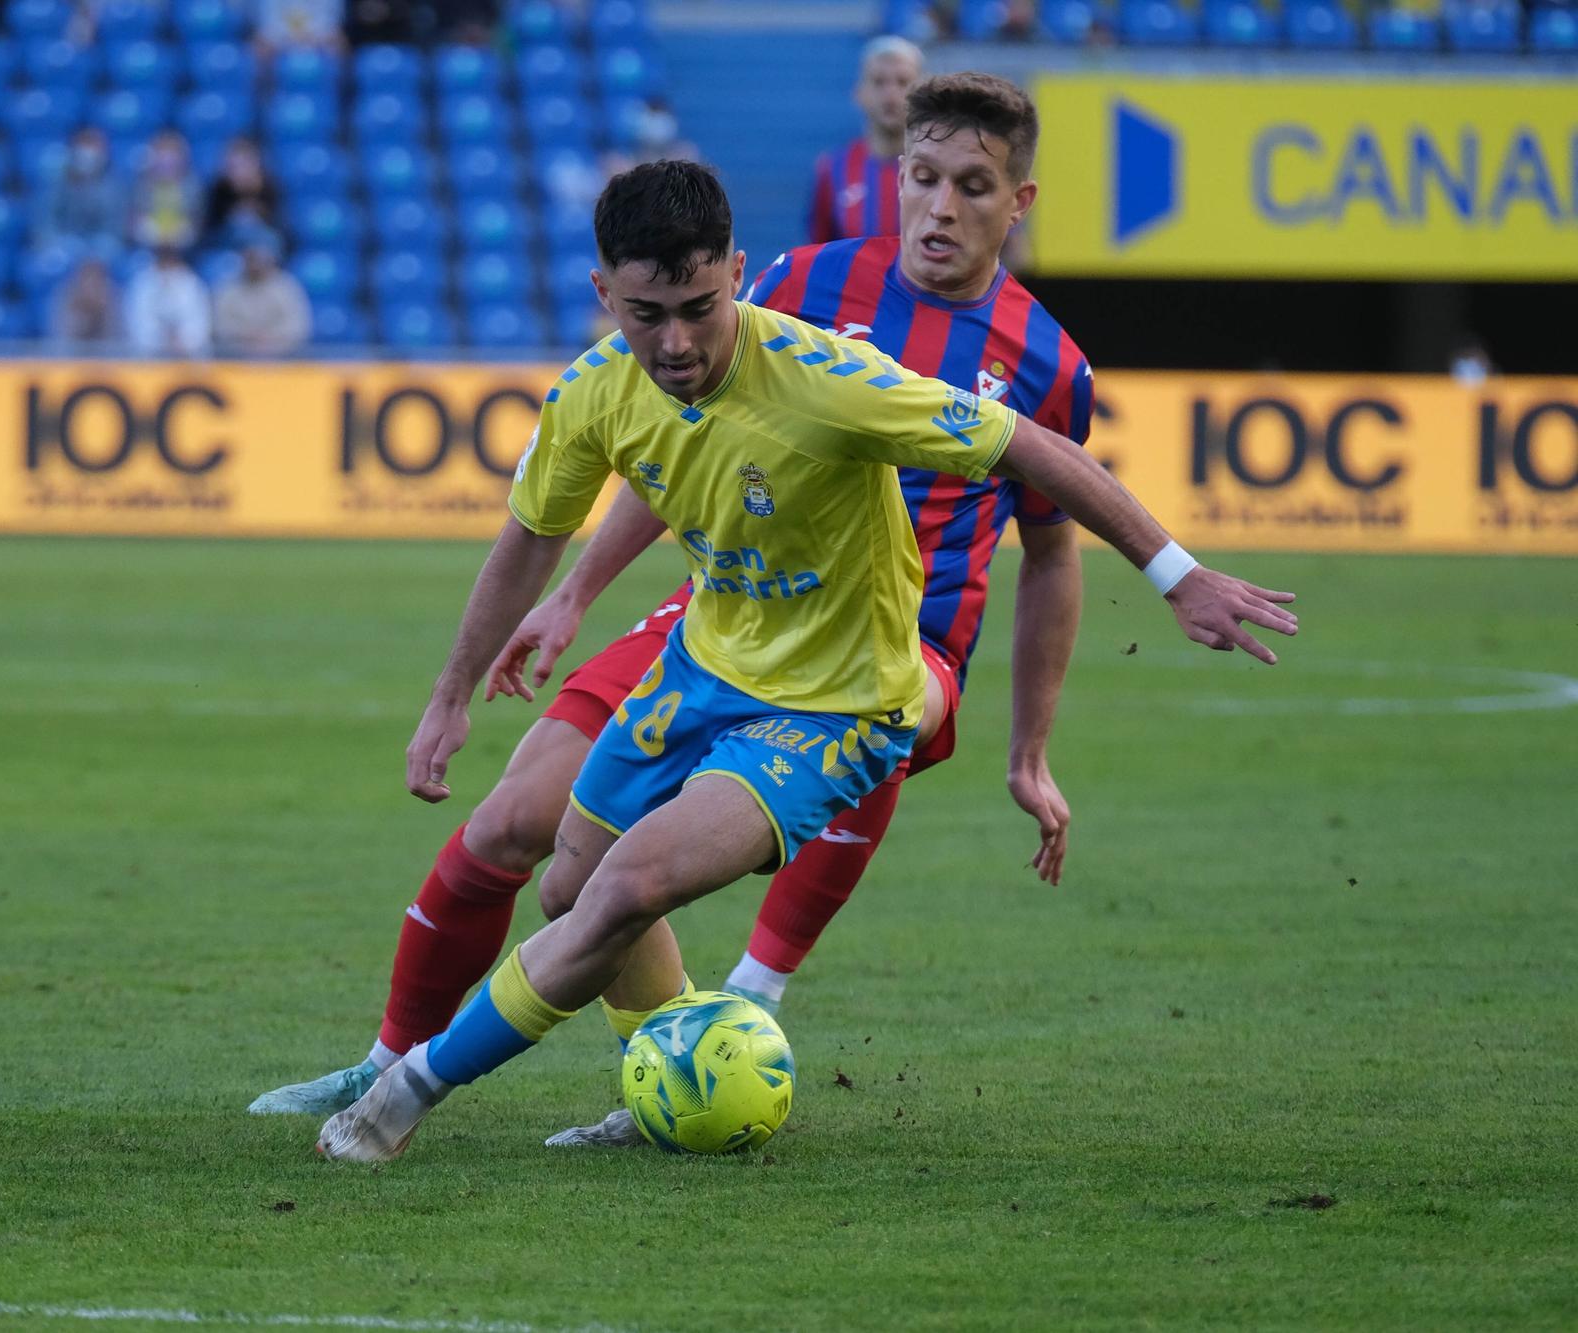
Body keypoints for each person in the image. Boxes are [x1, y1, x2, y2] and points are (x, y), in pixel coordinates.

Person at [313, 159, 1296, 1162]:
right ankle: (680, 1077)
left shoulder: (831, 377)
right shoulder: (594, 394)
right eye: (645, 314)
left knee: (622, 888)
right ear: (602, 293)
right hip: (698, 669)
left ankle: (405, 1091)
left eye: (701, 307)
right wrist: (448, 698)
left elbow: (1031, 450)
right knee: (569, 890)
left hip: (837, 704)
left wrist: (1176, 575)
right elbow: (528, 537)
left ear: (737, 272)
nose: (677, 342)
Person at [250, 74, 1095, 1133]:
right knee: (520, 824)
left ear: (1013, 202)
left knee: (816, 756)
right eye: (920, 177)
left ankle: (739, 999)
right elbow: (689, 440)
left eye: (969, 185)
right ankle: (407, 1057)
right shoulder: (804, 282)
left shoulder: (1050, 363)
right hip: (731, 604)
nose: (937, 205)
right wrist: (572, 596)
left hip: (901, 644)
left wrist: (1030, 749)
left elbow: (1053, 555)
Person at [806, 35, 922, 245]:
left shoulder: (939, 168)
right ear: (860, 93)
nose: (891, 94)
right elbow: (818, 253)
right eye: (879, 82)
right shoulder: (833, 169)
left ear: (922, 93)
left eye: (902, 82)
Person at [213, 226, 311, 356]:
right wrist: (246, 337)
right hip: (236, 362)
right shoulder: (228, 288)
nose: (255, 263)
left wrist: (270, 340)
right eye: (250, 257)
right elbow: (219, 326)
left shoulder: (287, 287)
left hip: (281, 362)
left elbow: (298, 328)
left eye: (259, 257)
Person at [35, 128, 120, 251]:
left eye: (93, 147)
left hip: (99, 247)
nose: (87, 154)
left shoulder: (114, 187)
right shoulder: (56, 182)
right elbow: (45, 221)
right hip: (61, 245)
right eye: (84, 146)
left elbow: (113, 227)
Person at [124, 245, 212, 357]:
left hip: (187, 355)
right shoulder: (142, 283)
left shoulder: (192, 283)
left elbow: (201, 323)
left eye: (170, 257)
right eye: (164, 257)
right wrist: (162, 339)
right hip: (149, 358)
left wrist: (183, 339)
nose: (167, 262)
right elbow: (137, 322)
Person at [128, 129, 201, 251]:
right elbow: (133, 220)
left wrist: (177, 235)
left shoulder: (193, 186)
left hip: (183, 248)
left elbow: (196, 222)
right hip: (147, 245)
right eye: (162, 153)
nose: (167, 159)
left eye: (172, 153)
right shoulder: (141, 185)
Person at [202, 136, 280, 247]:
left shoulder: (269, 188)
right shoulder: (219, 189)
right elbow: (210, 230)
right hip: (227, 244)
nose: (240, 170)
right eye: (234, 166)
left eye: (244, 164)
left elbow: (280, 227)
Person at [49, 256, 124, 347]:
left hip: (106, 358)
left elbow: (117, 341)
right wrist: (85, 313)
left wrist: (102, 313)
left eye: (97, 280)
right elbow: (63, 339)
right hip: (71, 357)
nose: (92, 285)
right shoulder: (66, 297)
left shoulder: (113, 297)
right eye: (88, 278)